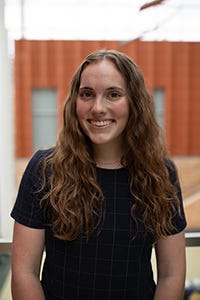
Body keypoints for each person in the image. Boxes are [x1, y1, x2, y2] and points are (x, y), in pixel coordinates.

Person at [11, 49, 187, 300]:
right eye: (87, 94)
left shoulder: (160, 174)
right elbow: (24, 272)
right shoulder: (44, 169)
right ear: (75, 101)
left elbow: (171, 275)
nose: (97, 107)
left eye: (113, 94)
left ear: (134, 102)